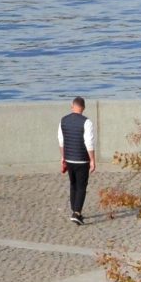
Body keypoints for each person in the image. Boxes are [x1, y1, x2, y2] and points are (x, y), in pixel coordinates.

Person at [58, 97, 94, 226]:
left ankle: (74, 209)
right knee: (81, 186)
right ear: (83, 108)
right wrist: (92, 160)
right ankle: (77, 213)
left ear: (72, 106)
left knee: (73, 184)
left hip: (69, 158)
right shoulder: (87, 122)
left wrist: (63, 158)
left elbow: (61, 141)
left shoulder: (63, 120)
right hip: (82, 159)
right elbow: (89, 143)